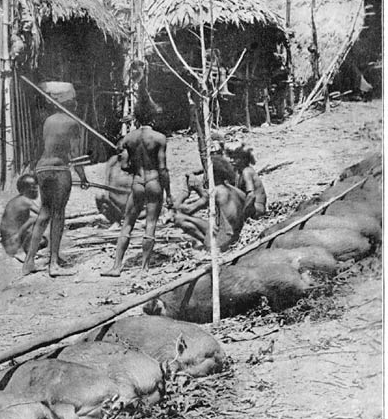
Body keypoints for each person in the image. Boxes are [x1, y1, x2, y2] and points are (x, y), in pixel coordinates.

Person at [101, 88, 173, 277]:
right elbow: (163, 169)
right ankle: (144, 269)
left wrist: (133, 163)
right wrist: (170, 194)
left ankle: (116, 267)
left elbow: (124, 166)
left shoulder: (128, 138)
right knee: (150, 224)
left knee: (128, 223)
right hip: (153, 181)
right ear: (153, 117)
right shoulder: (159, 138)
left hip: (137, 182)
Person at [22, 96, 89, 277]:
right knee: (58, 214)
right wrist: (83, 176)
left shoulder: (48, 121)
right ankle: (53, 263)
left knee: (44, 213)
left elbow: (44, 145)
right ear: (72, 105)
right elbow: (75, 153)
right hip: (59, 168)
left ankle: (29, 262)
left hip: (42, 168)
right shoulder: (72, 123)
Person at [172, 173, 246, 252]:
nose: (204, 180)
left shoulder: (215, 192)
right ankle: (210, 241)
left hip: (225, 238)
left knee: (179, 219)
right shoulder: (232, 189)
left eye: (205, 177)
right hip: (236, 232)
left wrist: (186, 192)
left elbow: (186, 210)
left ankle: (210, 246)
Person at [0, 174, 47, 262]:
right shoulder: (25, 201)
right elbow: (43, 214)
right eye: (33, 188)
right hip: (13, 242)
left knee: (43, 240)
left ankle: (25, 248)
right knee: (35, 220)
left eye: (36, 187)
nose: (36, 190)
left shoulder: (17, 200)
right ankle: (20, 252)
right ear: (24, 190)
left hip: (8, 241)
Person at [231, 146, 267, 220]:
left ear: (243, 159)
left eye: (235, 158)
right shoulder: (239, 172)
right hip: (251, 207)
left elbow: (251, 196)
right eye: (232, 158)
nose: (232, 160)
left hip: (257, 208)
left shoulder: (246, 172)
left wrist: (242, 214)